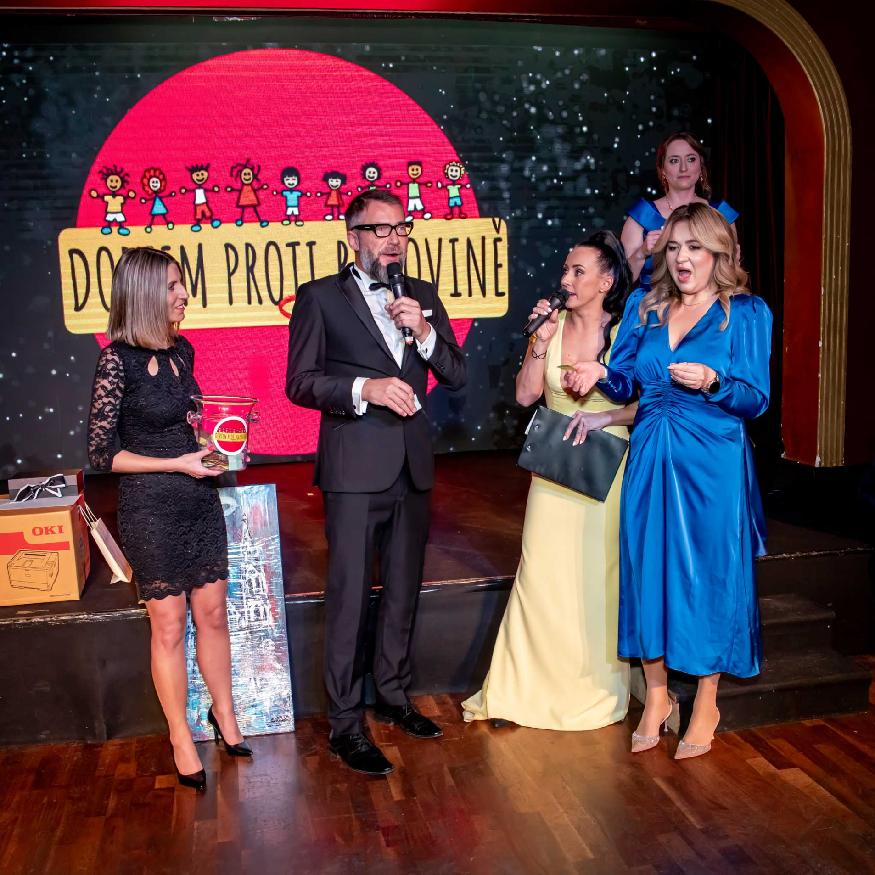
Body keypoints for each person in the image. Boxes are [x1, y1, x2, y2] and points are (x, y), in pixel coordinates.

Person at [564, 203, 771, 759]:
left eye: (694, 247)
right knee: (647, 569)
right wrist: (600, 373)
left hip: (713, 460)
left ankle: (706, 700)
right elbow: (625, 381)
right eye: (674, 247)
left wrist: (713, 380)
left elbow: (755, 398)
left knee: (710, 574)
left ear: (718, 253)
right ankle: (657, 695)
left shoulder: (746, 313)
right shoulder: (645, 306)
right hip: (652, 452)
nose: (682, 258)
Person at [285, 189, 466, 776]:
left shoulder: (424, 296)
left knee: (403, 591)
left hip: (412, 466)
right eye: (381, 229)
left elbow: (455, 373)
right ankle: (345, 724)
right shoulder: (319, 297)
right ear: (353, 237)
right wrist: (366, 389)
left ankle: (392, 694)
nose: (394, 239)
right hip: (354, 471)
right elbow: (300, 382)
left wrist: (426, 332)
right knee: (349, 597)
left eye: (401, 228)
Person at [87, 247, 251, 793]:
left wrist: (218, 447)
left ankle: (225, 716)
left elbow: (191, 424)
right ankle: (181, 736)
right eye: (174, 285)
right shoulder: (116, 361)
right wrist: (177, 463)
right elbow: (103, 454)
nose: (184, 294)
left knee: (214, 614)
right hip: (150, 506)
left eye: (182, 284)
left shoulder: (184, 350)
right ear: (143, 294)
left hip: (198, 500)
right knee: (169, 625)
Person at [462, 231, 635, 731]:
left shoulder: (626, 332)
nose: (566, 280)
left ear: (606, 281)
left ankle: (593, 688)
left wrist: (605, 416)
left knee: (596, 577)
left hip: (607, 467)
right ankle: (526, 688)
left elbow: (648, 403)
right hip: (555, 471)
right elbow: (524, 396)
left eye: (579, 272)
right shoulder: (552, 327)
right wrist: (539, 341)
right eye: (565, 270)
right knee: (539, 574)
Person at [621, 131, 739, 290]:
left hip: (708, 303)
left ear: (701, 165)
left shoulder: (721, 214)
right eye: (674, 161)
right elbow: (620, 284)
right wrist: (641, 253)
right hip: (652, 303)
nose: (683, 168)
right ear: (662, 169)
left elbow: (731, 274)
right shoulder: (642, 216)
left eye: (691, 159)